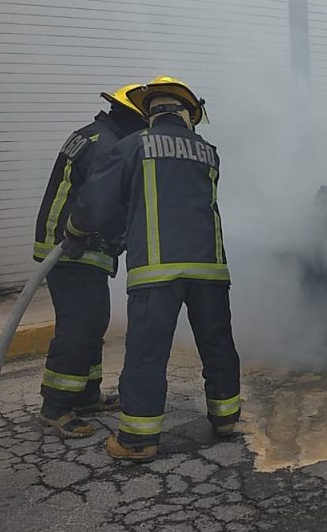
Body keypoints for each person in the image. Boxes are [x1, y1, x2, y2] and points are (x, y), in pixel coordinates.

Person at [65, 76, 240, 462]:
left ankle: (137, 441)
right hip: (209, 269)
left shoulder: (132, 146)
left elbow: (97, 202)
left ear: (151, 113)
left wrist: (75, 230)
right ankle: (226, 418)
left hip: (156, 272)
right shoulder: (208, 151)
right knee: (217, 344)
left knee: (147, 353)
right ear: (186, 113)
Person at [33, 84, 147, 438]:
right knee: (79, 325)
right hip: (73, 247)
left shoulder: (94, 135)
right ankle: (56, 406)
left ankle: (85, 395)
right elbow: (100, 202)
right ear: (132, 118)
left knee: (93, 318)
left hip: (72, 245)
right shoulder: (110, 147)